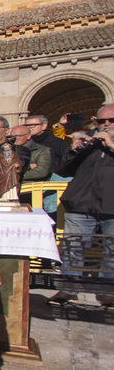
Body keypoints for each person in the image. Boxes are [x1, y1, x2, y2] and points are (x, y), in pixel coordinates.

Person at [51, 104, 114, 307]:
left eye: (111, 121)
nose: (106, 125)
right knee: (73, 247)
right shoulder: (90, 141)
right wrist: (74, 150)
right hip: (81, 202)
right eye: (101, 121)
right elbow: (62, 169)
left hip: (111, 204)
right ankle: (68, 288)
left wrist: (111, 145)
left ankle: (107, 291)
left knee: (111, 250)